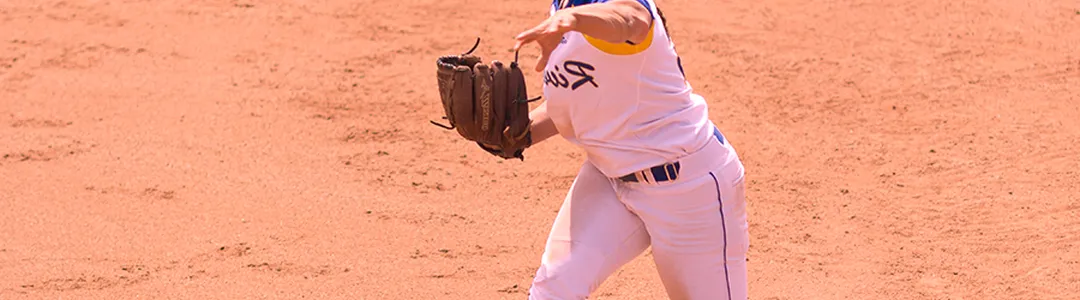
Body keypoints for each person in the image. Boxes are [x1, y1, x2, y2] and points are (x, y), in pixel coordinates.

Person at [502, 0, 751, 299]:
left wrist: (574, 18)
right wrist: (517, 135)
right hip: (607, 176)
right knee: (555, 287)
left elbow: (631, 19)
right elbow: (579, 99)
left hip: (689, 188)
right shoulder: (564, 7)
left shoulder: (619, 9)